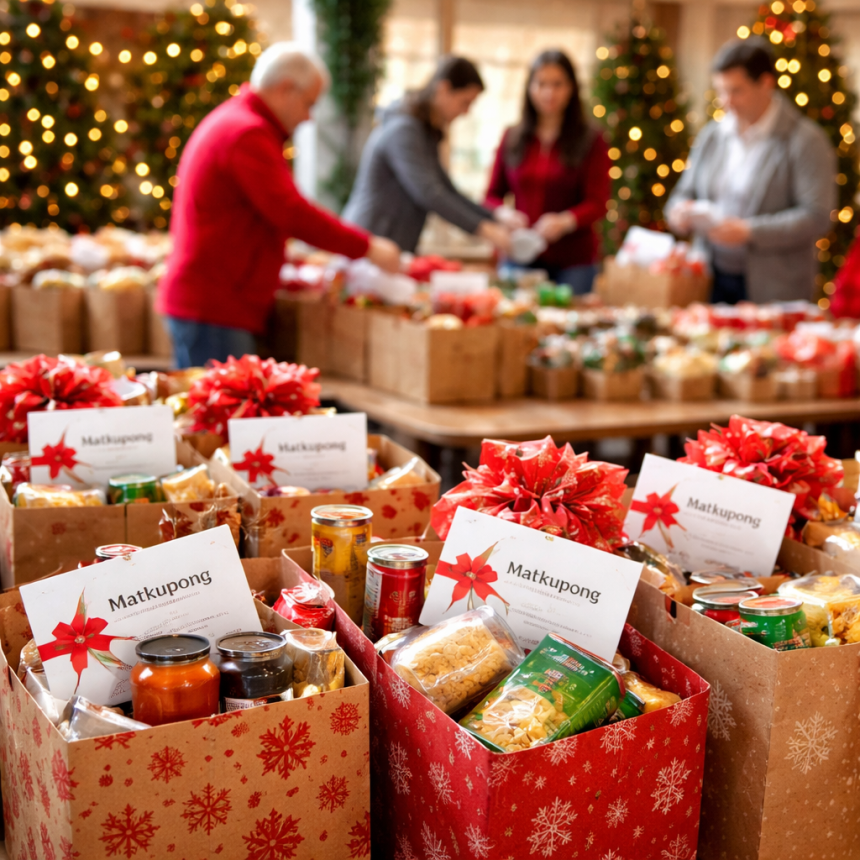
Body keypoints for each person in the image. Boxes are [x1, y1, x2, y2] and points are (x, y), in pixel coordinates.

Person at [158, 42, 401, 368]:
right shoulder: (247, 133)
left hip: (214, 303)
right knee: (225, 416)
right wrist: (367, 247)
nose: (308, 117)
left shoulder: (237, 122)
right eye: (308, 103)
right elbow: (291, 212)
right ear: (286, 89)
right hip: (215, 306)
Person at [666, 37, 835, 305]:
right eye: (720, 91)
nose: (726, 102)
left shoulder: (804, 140)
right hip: (710, 277)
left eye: (736, 91)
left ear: (766, 83)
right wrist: (678, 212)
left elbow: (816, 216)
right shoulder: (713, 134)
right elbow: (682, 193)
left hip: (773, 286)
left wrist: (750, 231)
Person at [342, 56, 511, 255]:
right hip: (369, 245)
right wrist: (484, 230)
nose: (465, 112)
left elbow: (447, 190)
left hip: (390, 249)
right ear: (443, 88)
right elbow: (429, 192)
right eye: (464, 102)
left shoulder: (424, 133)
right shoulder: (404, 129)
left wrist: (495, 217)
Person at [484, 49, 610, 294]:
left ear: (571, 88)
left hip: (574, 260)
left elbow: (598, 202)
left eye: (557, 84)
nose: (548, 93)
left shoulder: (591, 140)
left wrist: (565, 221)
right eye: (541, 84)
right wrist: (504, 215)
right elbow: (490, 196)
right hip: (519, 253)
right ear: (530, 88)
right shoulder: (512, 137)